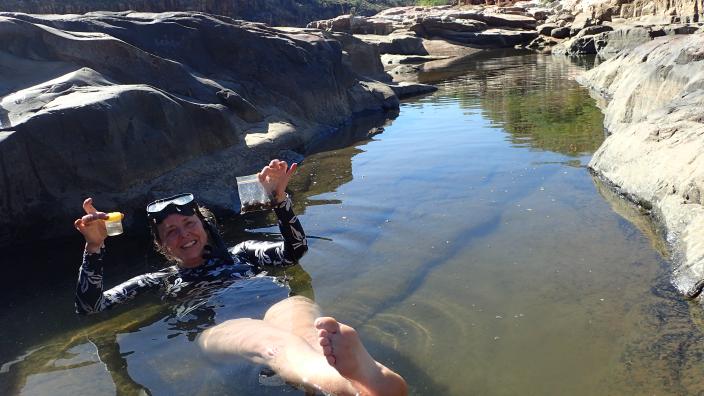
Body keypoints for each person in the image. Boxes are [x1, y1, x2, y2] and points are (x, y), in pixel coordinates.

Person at [73, 159, 407, 396]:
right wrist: (95, 246)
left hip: (272, 302)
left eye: (190, 224)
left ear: (204, 227)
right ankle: (352, 384)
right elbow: (91, 307)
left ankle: (350, 379)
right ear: (162, 245)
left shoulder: (242, 252)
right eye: (171, 232)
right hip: (221, 327)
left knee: (304, 327)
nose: (184, 235)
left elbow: (294, 252)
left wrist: (279, 199)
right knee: (272, 343)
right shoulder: (158, 280)